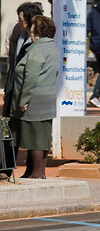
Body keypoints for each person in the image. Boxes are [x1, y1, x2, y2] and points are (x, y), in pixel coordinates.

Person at [9, 15, 60, 178]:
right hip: (47, 99)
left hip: (34, 101)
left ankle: (36, 173)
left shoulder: (37, 49)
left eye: (31, 28)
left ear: (36, 30)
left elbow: (30, 78)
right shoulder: (52, 47)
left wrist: (23, 100)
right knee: (42, 137)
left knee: (35, 138)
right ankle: (37, 172)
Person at [3, 2, 44, 118]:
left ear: (30, 20)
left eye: (21, 19)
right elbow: (14, 63)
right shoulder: (19, 34)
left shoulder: (39, 41)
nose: (19, 21)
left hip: (28, 94)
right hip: (14, 89)